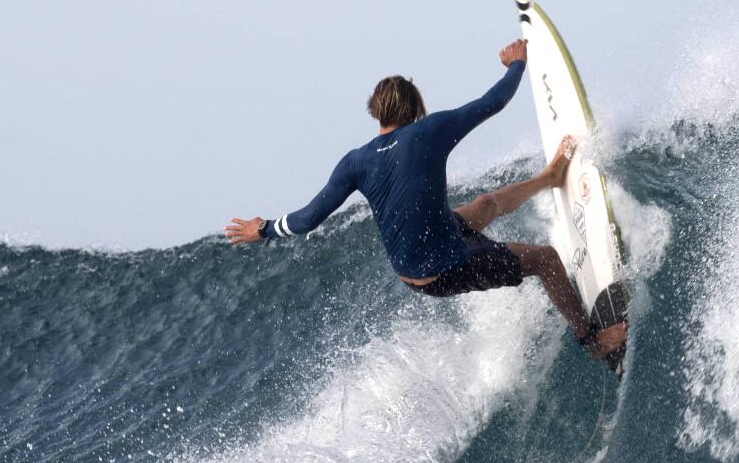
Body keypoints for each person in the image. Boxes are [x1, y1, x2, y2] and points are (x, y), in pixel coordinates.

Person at [226, 39, 628, 365]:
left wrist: (262, 229)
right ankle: (593, 341)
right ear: (417, 107)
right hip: (446, 268)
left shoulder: (356, 160)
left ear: (376, 112)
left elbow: (307, 219)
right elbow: (494, 102)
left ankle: (549, 177)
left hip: (415, 271)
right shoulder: (428, 131)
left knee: (485, 204)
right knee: (545, 260)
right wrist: (516, 64)